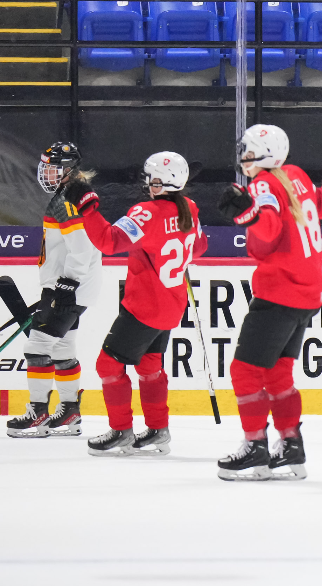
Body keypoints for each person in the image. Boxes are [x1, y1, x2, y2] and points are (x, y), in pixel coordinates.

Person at [214, 124, 322, 481]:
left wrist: (247, 217)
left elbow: (269, 233)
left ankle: (255, 446)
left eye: (247, 149)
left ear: (262, 153)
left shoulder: (263, 184)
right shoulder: (296, 175)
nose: (242, 155)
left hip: (278, 292)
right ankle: (291, 446)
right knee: (278, 373)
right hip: (307, 293)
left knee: (244, 371)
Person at [76, 152, 207, 456]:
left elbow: (109, 242)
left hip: (144, 307)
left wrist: (89, 208)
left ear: (158, 181)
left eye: (150, 178)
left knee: (108, 364)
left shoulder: (146, 212)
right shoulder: (191, 207)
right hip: (172, 305)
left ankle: (121, 431)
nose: (147, 183)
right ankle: (158, 430)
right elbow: (200, 247)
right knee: (150, 366)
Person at [7, 142, 101, 438]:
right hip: (74, 288)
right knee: (62, 348)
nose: (45, 173)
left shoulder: (67, 200)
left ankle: (38, 413)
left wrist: (66, 284)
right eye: (45, 167)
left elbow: (83, 247)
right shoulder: (69, 195)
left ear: (68, 170)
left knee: (36, 348)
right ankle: (70, 412)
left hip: (68, 289)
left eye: (52, 168)